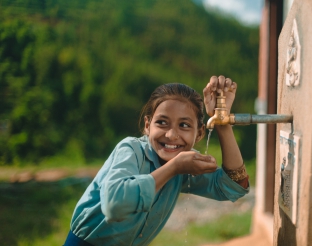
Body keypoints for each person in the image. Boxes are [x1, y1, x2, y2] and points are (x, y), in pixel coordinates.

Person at [64, 75, 250, 246]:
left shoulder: (184, 164)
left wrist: (221, 121)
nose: (171, 135)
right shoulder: (131, 150)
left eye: (184, 125)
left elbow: (233, 187)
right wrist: (173, 168)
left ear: (200, 133)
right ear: (147, 125)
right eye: (162, 122)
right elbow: (114, 205)